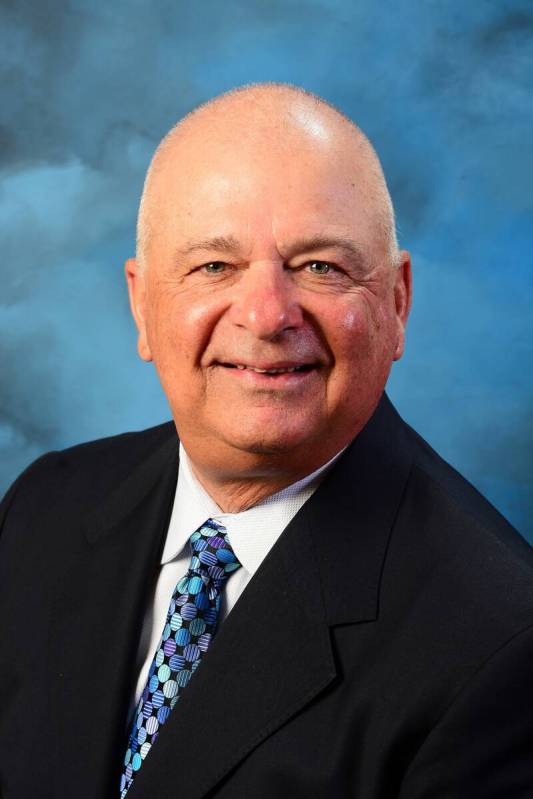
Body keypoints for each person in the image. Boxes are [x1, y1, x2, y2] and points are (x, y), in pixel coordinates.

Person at [0, 83, 532, 799]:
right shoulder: (42, 510)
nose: (266, 314)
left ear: (397, 302)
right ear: (142, 304)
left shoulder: (501, 642)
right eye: (213, 266)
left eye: (319, 266)